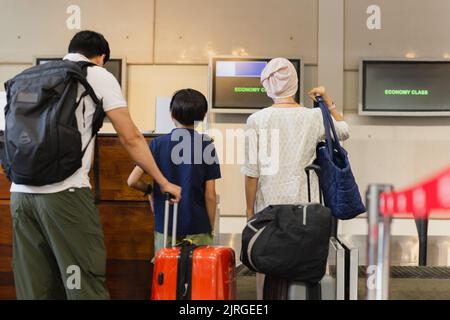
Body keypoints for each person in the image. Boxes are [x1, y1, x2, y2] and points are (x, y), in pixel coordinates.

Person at [9, 30, 181, 300]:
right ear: (101, 57)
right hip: (65, 194)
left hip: (20, 194)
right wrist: (163, 181)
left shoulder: (27, 78)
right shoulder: (97, 75)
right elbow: (131, 137)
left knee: (35, 285)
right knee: (81, 280)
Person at [241, 57, 350, 300]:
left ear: (267, 85)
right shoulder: (312, 117)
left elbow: (251, 172)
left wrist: (249, 211)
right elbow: (343, 131)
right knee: (304, 265)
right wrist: (328, 102)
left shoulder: (256, 120)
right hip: (305, 205)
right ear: (295, 83)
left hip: (268, 208)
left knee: (267, 266)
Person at [128, 89, 220, 254]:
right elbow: (210, 195)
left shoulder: (157, 144)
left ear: (171, 114)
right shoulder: (206, 146)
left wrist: (150, 190)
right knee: (197, 276)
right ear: (202, 116)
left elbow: (132, 181)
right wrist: (210, 227)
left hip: (165, 225)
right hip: (197, 225)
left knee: (167, 274)